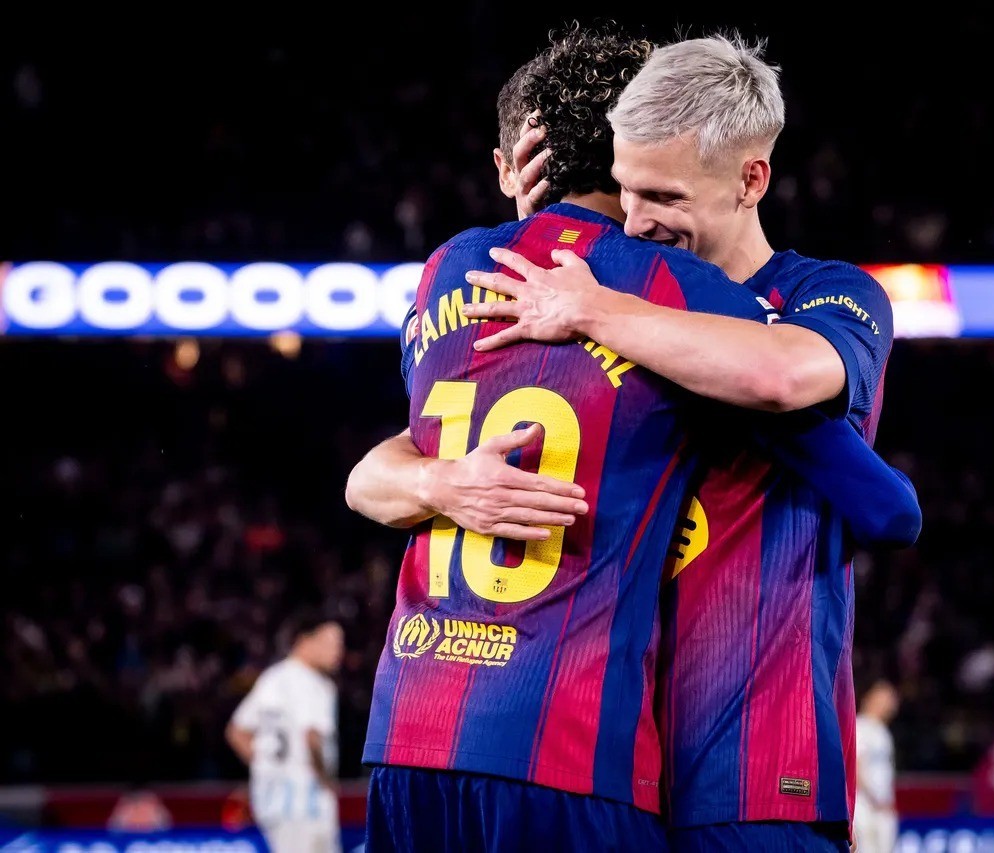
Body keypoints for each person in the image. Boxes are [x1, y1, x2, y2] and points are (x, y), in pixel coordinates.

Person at [352, 24, 918, 853]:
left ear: (749, 179)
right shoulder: (591, 287)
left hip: (748, 769)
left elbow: (818, 417)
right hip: (608, 755)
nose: (639, 221)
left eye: (662, 196)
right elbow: (380, 465)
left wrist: (589, 298)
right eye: (624, 191)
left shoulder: (823, 295)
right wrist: (558, 251)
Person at [226, 612, 344, 853]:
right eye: (330, 642)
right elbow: (312, 738)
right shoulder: (316, 684)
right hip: (307, 801)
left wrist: (265, 764)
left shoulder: (272, 678)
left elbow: (236, 732)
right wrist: (326, 782)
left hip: (271, 800)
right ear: (305, 640)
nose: (338, 651)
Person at [854, 681, 900, 853]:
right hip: (864, 805)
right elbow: (855, 768)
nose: (889, 703)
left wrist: (887, 802)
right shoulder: (859, 726)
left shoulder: (883, 731)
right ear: (870, 698)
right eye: (884, 697)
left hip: (883, 807)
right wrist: (874, 799)